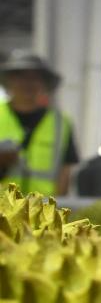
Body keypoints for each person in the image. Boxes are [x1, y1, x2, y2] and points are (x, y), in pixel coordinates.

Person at [0, 50, 79, 195]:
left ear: (44, 83)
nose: (28, 83)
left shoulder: (61, 123)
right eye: (21, 77)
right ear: (9, 81)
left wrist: (58, 204)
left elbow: (65, 170)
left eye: (35, 78)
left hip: (42, 205)